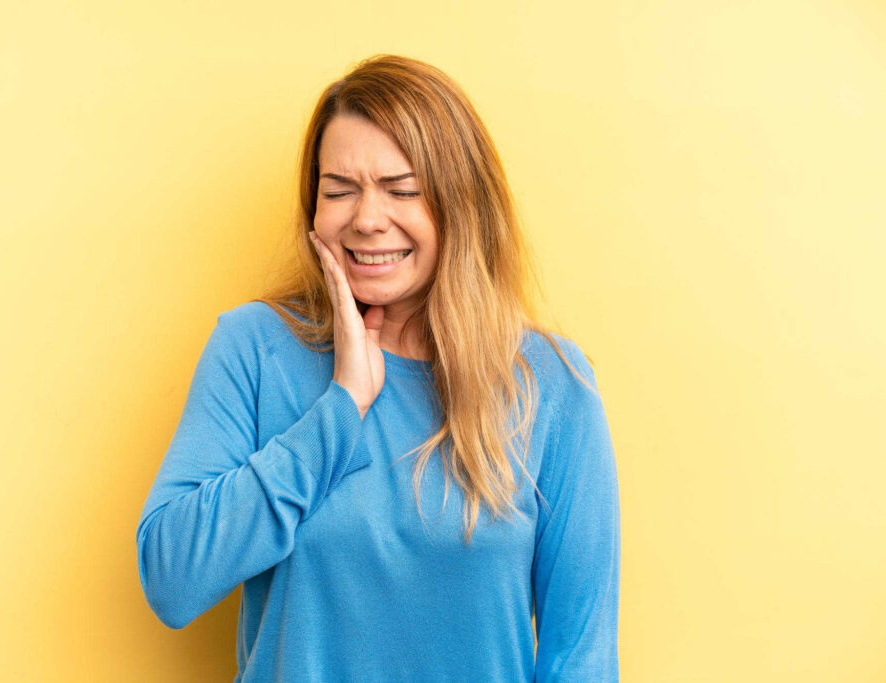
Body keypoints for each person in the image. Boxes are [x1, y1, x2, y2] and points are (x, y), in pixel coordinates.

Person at [136, 53, 621, 682]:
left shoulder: (552, 384)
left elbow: (581, 656)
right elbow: (172, 581)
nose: (366, 219)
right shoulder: (254, 348)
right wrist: (340, 408)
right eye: (338, 190)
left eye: (403, 190)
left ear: (460, 205)